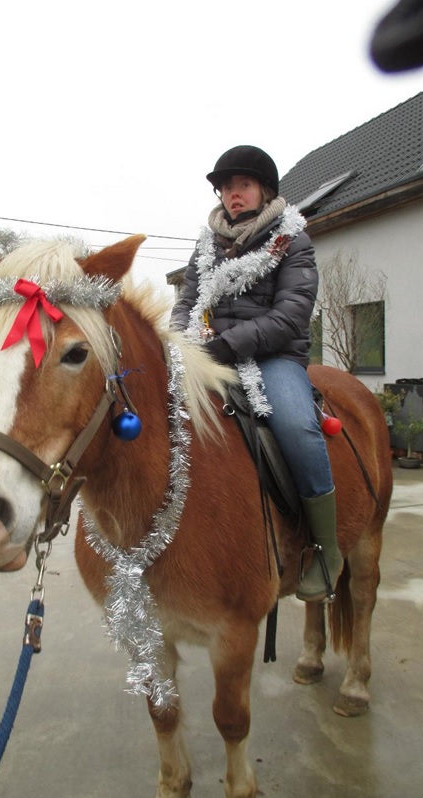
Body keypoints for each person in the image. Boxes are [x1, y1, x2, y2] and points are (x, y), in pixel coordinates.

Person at [170, 145, 342, 602]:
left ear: (264, 190)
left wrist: (226, 346)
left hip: (273, 357)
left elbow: (291, 315)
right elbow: (187, 302)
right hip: (209, 355)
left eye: (243, 184)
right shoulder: (205, 246)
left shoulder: (292, 240)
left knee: (296, 425)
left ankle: (327, 548)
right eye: (226, 187)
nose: (233, 194)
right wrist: (177, 344)